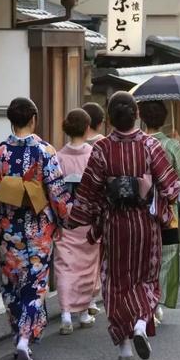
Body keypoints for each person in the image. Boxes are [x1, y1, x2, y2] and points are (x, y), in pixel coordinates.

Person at [68, 91, 180, 360]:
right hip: (144, 225)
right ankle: (142, 322)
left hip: (115, 225)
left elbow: (89, 193)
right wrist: (152, 192)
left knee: (116, 284)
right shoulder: (150, 146)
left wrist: (79, 220)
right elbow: (172, 188)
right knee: (146, 279)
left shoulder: (102, 149)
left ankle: (124, 346)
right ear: (137, 115)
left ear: (109, 119)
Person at [0, 97, 71, 360]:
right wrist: (64, 219)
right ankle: (24, 337)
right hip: (38, 229)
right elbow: (56, 190)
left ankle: (18, 333)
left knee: (13, 284)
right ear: (33, 119)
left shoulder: (0, 152)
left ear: (11, 120)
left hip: (9, 231)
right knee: (36, 283)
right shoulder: (45, 151)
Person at [138, 100, 180, 323]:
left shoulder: (137, 143)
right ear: (163, 120)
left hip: (139, 209)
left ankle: (144, 302)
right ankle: (155, 303)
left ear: (141, 117)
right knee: (166, 257)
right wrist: (177, 144)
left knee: (142, 257)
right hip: (166, 210)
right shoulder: (170, 145)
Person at [54, 109, 101, 335]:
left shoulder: (58, 157)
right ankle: (83, 311)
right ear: (86, 128)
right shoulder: (93, 154)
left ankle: (65, 313)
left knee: (65, 265)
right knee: (87, 266)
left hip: (66, 217)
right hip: (88, 218)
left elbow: (54, 190)